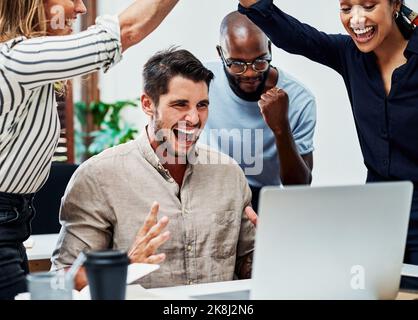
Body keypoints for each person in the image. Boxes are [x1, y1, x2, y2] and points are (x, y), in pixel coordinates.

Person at [0, 0, 180, 299]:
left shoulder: (27, 63)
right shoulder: (18, 59)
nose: (81, 9)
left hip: (15, 222)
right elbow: (125, 31)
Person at [238, 0, 418, 289]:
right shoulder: (350, 54)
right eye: (346, 8)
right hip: (380, 215)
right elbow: (293, 35)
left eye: (369, 6)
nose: (356, 19)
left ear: (395, 4)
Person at [51, 48, 256, 290]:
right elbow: (62, 280)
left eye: (202, 105)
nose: (194, 119)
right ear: (148, 104)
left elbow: (246, 266)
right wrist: (125, 266)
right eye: (180, 105)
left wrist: (269, 254)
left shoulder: (229, 174)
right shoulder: (98, 176)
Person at [202, 11, 316, 211]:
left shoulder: (300, 100)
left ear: (270, 49)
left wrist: (281, 127)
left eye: (260, 61)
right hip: (210, 193)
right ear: (221, 54)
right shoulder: (201, 81)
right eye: (236, 64)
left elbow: (299, 186)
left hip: (263, 199)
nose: (250, 73)